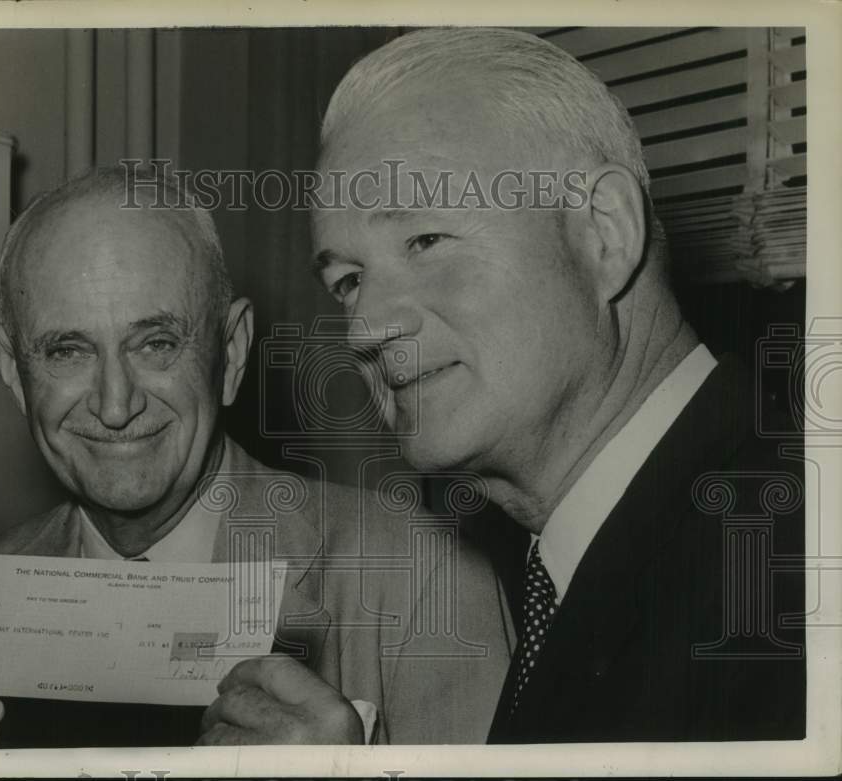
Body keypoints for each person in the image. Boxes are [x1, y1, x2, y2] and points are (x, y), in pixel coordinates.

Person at [0, 166, 509, 749]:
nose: (115, 405)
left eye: (156, 344)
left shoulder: (426, 576)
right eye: (68, 350)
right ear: (12, 370)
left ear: (230, 354)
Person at [309, 28, 806, 742]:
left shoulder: (791, 565)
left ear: (604, 234)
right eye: (348, 282)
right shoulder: (565, 561)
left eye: (425, 241)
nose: (363, 330)